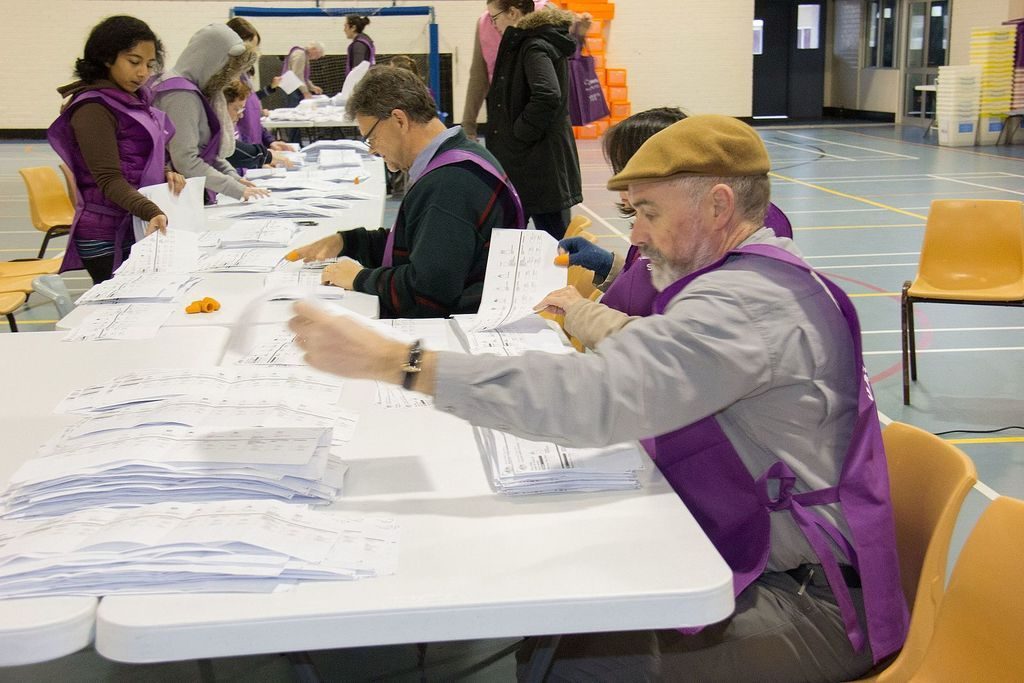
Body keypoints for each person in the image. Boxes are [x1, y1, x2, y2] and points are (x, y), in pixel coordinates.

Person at [289, 114, 909, 681]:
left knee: (584, 659)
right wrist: (585, 319)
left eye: (649, 212)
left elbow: (597, 395)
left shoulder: (744, 303)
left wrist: (399, 363)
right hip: (772, 560)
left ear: (719, 206)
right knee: (566, 619)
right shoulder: (750, 277)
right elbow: (658, 352)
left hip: (811, 600)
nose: (636, 234)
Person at [288, 66, 525, 318]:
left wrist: (358, 278)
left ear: (399, 120)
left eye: (371, 138)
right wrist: (347, 242)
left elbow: (425, 295)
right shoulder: (462, 156)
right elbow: (424, 243)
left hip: (456, 324)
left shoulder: (448, 184)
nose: (373, 150)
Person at [548, 107, 794, 349]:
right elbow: (646, 285)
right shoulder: (677, 228)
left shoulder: (721, 247)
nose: (619, 184)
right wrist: (609, 266)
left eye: (627, 171)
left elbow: (669, 344)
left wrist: (580, 311)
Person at [47, 15, 185, 284]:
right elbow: (109, 178)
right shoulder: (93, 109)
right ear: (106, 58)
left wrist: (166, 171)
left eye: (149, 64)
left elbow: (139, 157)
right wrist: (150, 210)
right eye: (134, 62)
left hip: (133, 221)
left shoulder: (134, 101)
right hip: (105, 235)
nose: (143, 72)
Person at [484, 0, 582, 239]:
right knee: (541, 236)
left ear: (513, 12)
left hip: (537, 164)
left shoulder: (534, 45)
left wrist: (520, 132)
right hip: (535, 162)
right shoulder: (533, 41)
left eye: (494, 17)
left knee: (551, 240)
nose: (493, 24)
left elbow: (547, 94)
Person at [151, 23, 269, 204]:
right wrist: (235, 188)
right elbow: (187, 161)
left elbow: (207, 152)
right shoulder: (180, 95)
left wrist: (235, 179)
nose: (230, 78)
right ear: (212, 61)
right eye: (228, 69)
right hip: (174, 195)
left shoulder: (191, 91)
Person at [226, 17, 290, 150]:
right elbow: (234, 135)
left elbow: (254, 118)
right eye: (250, 49)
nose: (255, 55)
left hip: (254, 152)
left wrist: (269, 141)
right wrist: (258, 156)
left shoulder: (244, 77)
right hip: (246, 155)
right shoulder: (228, 83)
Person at [223, 81, 293, 173]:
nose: (241, 115)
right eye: (237, 109)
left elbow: (255, 122)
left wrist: (269, 142)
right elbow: (233, 152)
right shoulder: (221, 132)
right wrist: (263, 157)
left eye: (242, 110)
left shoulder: (245, 84)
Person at [281, 41, 324, 108]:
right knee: (294, 108)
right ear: (313, 49)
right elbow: (297, 75)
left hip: (292, 86)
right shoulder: (300, 54)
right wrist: (305, 92)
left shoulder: (303, 55)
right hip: (291, 87)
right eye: (318, 54)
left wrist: (312, 87)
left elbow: (304, 76)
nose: (316, 58)